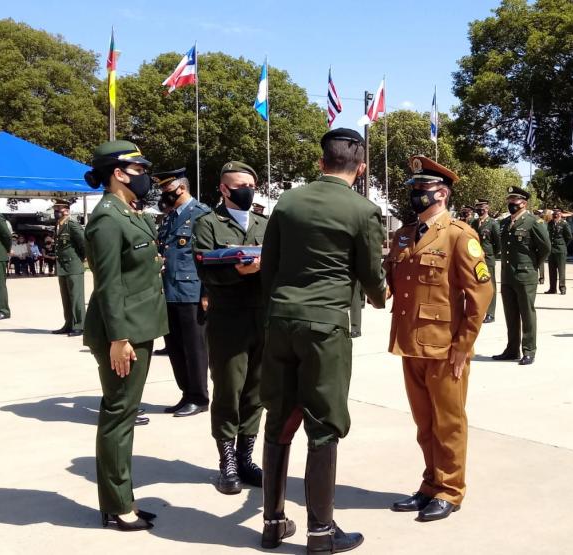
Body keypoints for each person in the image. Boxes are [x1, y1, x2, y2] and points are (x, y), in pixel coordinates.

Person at [258, 128, 386, 553]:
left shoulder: (287, 202)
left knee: (277, 418)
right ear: (361, 167)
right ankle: (320, 532)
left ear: (321, 163)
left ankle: (273, 522)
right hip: (325, 327)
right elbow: (371, 276)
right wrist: (382, 295)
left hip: (280, 320)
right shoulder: (361, 209)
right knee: (323, 424)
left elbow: (269, 265)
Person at [385, 156, 493, 522]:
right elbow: (388, 282)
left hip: (446, 348)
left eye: (422, 189)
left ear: (442, 193)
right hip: (410, 343)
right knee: (425, 423)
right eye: (413, 189)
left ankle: (450, 489)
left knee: (449, 422)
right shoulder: (402, 234)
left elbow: (480, 296)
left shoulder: (460, 236)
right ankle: (430, 484)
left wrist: (463, 347)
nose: (415, 195)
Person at [82, 140, 167, 532]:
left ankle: (122, 498)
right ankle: (116, 506)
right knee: (119, 416)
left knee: (125, 414)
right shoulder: (106, 219)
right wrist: (118, 339)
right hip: (124, 334)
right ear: (119, 173)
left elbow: (134, 267)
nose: (145, 177)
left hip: (138, 326)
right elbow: (108, 285)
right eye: (139, 170)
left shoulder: (127, 213)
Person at [193, 161, 269, 494]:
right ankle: (227, 462)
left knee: (256, 392)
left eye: (252, 185)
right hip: (228, 320)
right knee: (228, 391)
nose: (248, 190)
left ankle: (246, 458)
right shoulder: (207, 224)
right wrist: (238, 273)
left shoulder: (266, 224)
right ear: (224, 189)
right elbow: (204, 268)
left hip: (262, 318)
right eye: (241, 185)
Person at [154, 168, 212, 419]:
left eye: (167, 190)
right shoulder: (169, 217)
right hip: (169, 290)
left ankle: (199, 397)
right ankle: (186, 393)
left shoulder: (200, 214)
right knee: (175, 347)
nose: (164, 195)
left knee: (195, 348)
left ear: (181, 188)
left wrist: (207, 293)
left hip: (192, 291)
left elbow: (207, 257)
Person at [494, 186, 550, 365]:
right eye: (509, 200)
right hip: (507, 275)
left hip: (526, 275)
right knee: (510, 314)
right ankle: (512, 350)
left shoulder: (533, 222)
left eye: (514, 201)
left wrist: (533, 266)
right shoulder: (504, 223)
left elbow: (545, 248)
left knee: (527, 313)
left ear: (523, 203)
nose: (510, 203)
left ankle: (529, 350)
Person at [50, 199, 86, 337]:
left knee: (76, 296)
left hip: (73, 264)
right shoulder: (58, 225)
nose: (56, 211)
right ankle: (69, 323)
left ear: (66, 210)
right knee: (66, 297)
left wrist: (82, 258)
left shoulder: (72, 224)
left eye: (58, 208)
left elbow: (84, 243)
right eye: (55, 208)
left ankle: (80, 325)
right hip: (62, 265)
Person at [470, 198, 500, 323]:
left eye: (481, 208)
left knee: (490, 286)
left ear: (487, 209)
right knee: (477, 285)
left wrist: (491, 254)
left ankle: (490, 313)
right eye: (477, 208)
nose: (479, 210)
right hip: (475, 259)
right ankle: (478, 310)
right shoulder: (474, 223)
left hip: (488, 259)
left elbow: (498, 243)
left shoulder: (493, 223)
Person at [545, 209, 572, 295]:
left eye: (556, 216)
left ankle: (562, 288)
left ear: (560, 215)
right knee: (552, 270)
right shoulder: (550, 223)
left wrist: (563, 245)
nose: (555, 218)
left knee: (561, 270)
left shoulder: (564, 224)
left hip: (560, 250)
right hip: (551, 250)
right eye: (554, 216)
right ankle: (552, 288)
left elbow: (569, 237)